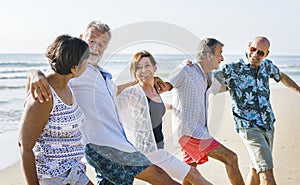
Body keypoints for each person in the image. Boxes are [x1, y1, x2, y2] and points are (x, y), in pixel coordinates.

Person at [28, 21, 180, 185]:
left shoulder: (101, 74)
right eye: (92, 41)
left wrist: (144, 80)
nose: (96, 48)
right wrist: (35, 74)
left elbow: (114, 91)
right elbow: (53, 75)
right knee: (160, 176)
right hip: (104, 147)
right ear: (81, 39)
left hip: (115, 143)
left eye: (102, 44)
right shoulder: (76, 70)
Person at [156, 38, 245, 185]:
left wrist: (243, 83)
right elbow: (165, 86)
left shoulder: (208, 75)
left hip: (198, 131)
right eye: (219, 53)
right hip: (189, 133)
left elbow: (221, 88)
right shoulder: (186, 70)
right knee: (231, 158)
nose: (222, 58)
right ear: (209, 55)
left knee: (191, 173)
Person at [214, 36, 300, 185]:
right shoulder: (232, 68)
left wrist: (298, 90)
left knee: (256, 168)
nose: (255, 54)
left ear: (266, 54)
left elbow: (282, 77)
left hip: (267, 124)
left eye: (260, 53)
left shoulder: (267, 66)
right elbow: (206, 81)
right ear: (249, 46)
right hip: (248, 126)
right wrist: (188, 69)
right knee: (266, 172)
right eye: (253, 49)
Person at [117, 50, 212, 185]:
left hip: (158, 148)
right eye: (138, 67)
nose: (143, 70)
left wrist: (183, 65)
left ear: (155, 67)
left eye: (147, 65)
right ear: (134, 72)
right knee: (193, 173)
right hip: (146, 152)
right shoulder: (133, 94)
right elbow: (110, 93)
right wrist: (135, 81)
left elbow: (171, 84)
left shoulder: (156, 89)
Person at [18, 35, 94, 185]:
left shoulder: (68, 85)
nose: (88, 64)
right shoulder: (44, 97)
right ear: (74, 68)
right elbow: (24, 145)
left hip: (74, 170)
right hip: (53, 177)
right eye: (86, 62)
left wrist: (34, 73)